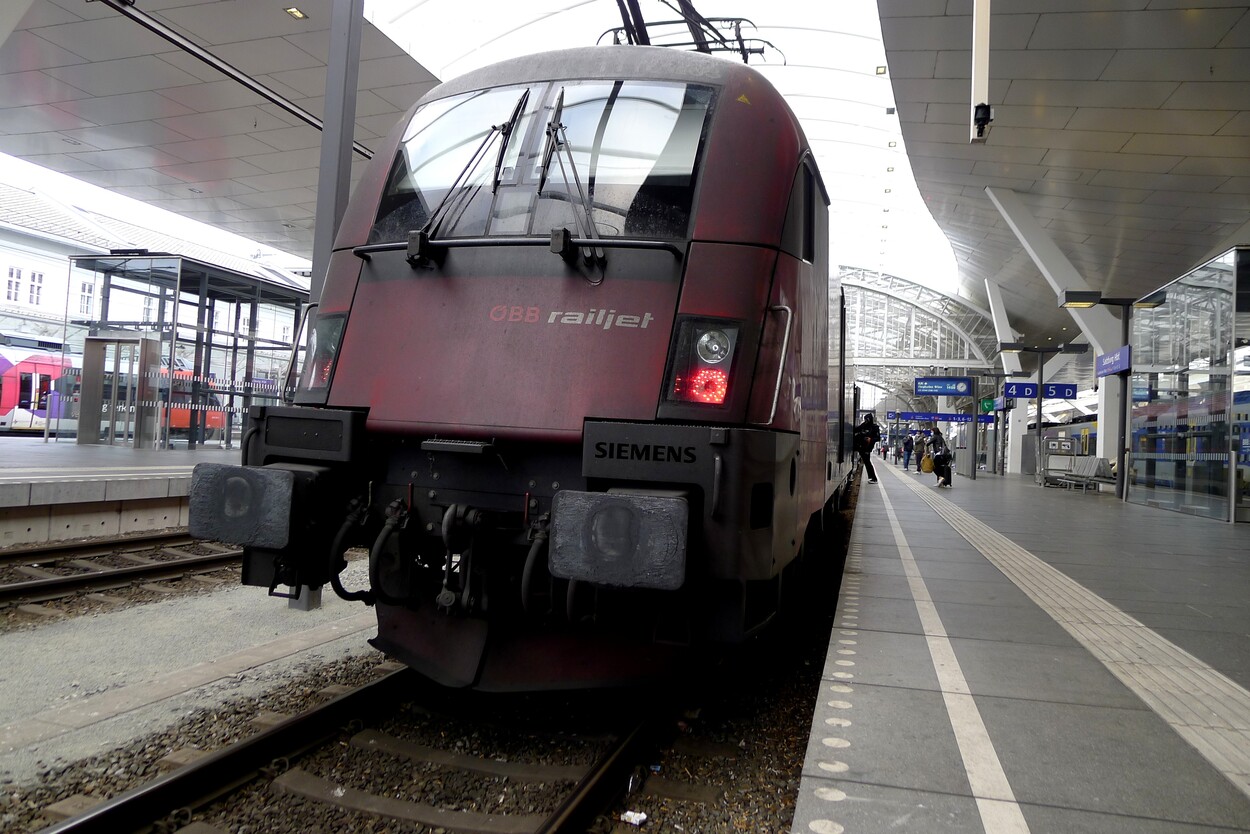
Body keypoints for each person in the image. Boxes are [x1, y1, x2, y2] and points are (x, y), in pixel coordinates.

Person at [854, 413, 881, 483]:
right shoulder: (863, 425)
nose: (866, 421)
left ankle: (874, 478)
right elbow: (856, 430)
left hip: (867, 447)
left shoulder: (875, 427)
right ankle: (872, 478)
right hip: (860, 445)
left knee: (867, 462)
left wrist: (870, 439)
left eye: (867, 419)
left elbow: (878, 438)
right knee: (867, 462)